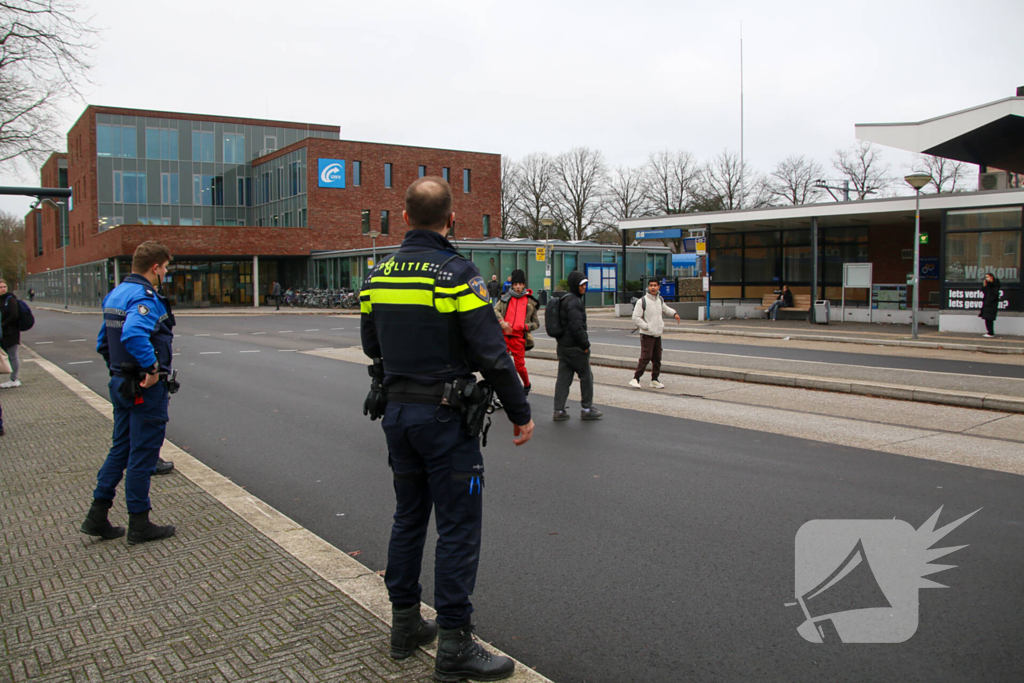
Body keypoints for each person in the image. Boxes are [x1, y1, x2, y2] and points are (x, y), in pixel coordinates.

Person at [360, 176, 534, 681]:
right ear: (451, 219)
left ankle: (405, 625)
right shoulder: (457, 274)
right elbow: (491, 353)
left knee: (408, 518)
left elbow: (373, 345)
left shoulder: (379, 274)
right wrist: (520, 412)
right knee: (458, 526)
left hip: (397, 417)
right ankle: (455, 644)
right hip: (445, 421)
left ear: (405, 215)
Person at [79, 241, 177, 546]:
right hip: (144, 388)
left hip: (121, 383)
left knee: (119, 449)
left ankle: (98, 515)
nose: (165, 274)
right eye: (165, 269)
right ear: (155, 268)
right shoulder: (144, 296)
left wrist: (119, 371)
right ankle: (139, 522)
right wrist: (149, 369)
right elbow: (134, 333)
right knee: (143, 454)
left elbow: (103, 342)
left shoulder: (116, 293)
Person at [553, 270, 602, 421]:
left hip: (563, 346)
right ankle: (586, 409)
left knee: (563, 380)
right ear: (575, 285)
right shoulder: (574, 301)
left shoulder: (564, 299)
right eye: (581, 284)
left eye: (585, 283)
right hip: (575, 348)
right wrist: (585, 345)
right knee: (586, 377)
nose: (584, 286)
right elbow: (576, 327)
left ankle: (558, 411)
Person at [494, 269, 539, 396]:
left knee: (519, 367)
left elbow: (536, 323)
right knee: (502, 366)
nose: (518, 287)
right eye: (515, 284)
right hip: (504, 337)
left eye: (520, 284)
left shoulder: (530, 301)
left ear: (524, 285)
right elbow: (494, 310)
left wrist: (525, 327)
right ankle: (503, 391)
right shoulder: (505, 298)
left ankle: (526, 384)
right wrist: (502, 322)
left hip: (519, 338)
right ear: (512, 285)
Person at [630, 279, 681, 389]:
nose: (653, 287)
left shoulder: (660, 300)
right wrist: (646, 326)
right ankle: (635, 379)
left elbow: (666, 309)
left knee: (657, 358)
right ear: (648, 287)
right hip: (647, 334)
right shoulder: (642, 301)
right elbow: (635, 317)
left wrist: (674, 313)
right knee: (646, 357)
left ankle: (654, 380)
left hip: (657, 333)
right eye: (651, 285)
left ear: (658, 287)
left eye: (655, 285)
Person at [0, 279, 22, 389]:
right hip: (2, 332)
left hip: (10, 332)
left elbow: (14, 315)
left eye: (4, 286)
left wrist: (2, 325)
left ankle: (14, 379)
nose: (3, 289)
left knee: (12, 356)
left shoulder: (10, 299)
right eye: (1, 287)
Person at [980, 273, 1001, 338]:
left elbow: (995, 294)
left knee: (989, 319)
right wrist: (984, 285)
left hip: (991, 304)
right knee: (987, 319)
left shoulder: (995, 285)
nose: (986, 278)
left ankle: (991, 332)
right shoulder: (988, 285)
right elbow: (985, 292)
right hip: (987, 304)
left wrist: (990, 300)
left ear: (991, 277)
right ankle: (989, 332)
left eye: (988, 277)